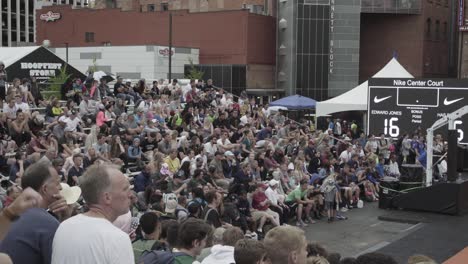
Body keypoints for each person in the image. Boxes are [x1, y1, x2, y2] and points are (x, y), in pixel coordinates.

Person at [51, 164, 135, 264]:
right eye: (125, 189)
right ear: (107, 197)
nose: (131, 194)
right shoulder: (118, 239)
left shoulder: (63, 226)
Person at [0, 162, 67, 264]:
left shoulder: (6, 218)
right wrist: (66, 218)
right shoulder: (48, 223)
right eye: (57, 183)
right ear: (45, 189)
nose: (61, 188)